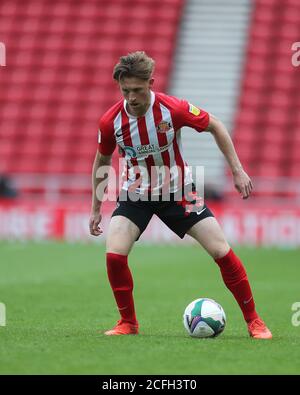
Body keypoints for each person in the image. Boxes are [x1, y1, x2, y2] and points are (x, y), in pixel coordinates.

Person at [89, 51, 272, 339]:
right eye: (126, 91)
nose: (132, 98)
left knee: (221, 252)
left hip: (180, 190)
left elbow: (216, 125)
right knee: (114, 255)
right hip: (136, 193)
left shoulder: (172, 109)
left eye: (137, 90)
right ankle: (128, 323)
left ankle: (255, 321)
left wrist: (237, 170)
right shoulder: (110, 121)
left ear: (151, 82)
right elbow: (101, 161)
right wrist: (96, 207)